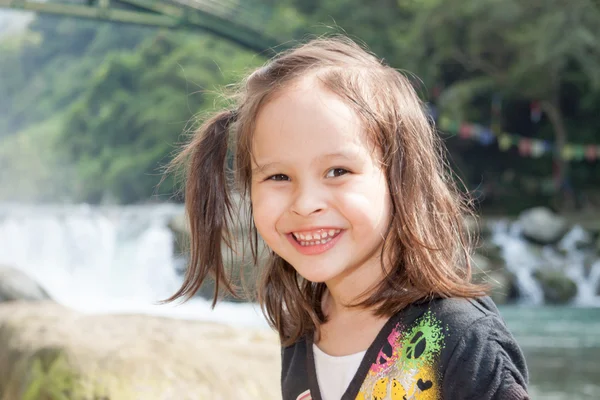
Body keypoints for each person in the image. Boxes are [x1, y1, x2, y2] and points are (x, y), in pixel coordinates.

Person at [164, 35, 529, 400]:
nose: (305, 204)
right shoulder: (303, 325)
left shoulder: (459, 337)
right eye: (278, 177)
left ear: (400, 178)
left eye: (337, 171)